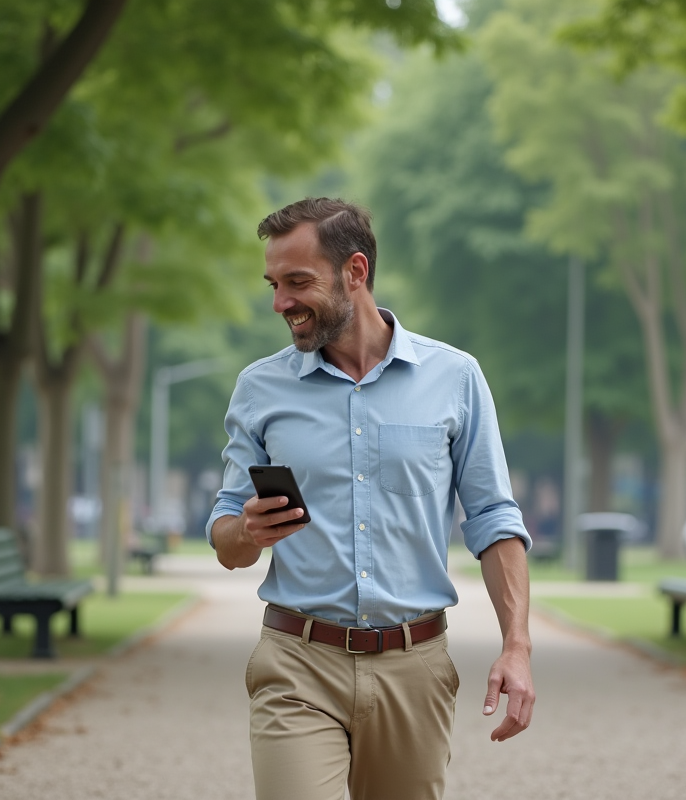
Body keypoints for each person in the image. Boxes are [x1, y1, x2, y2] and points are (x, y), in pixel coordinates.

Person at [207, 197, 534, 800]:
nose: (281, 303)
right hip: (297, 663)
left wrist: (516, 645)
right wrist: (245, 532)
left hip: (415, 665)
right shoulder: (260, 388)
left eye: (298, 282)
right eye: (274, 284)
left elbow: (493, 519)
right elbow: (227, 538)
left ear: (354, 272)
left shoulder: (455, 378)